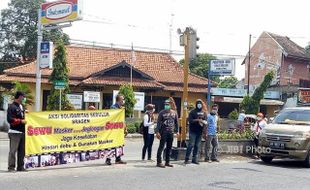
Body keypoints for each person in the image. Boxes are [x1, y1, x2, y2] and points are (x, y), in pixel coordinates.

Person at [155, 99, 179, 168]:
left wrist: (177, 131)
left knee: (169, 147)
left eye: (168, 104)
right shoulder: (161, 113)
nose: (166, 105)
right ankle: (159, 162)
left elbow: (176, 123)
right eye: (165, 104)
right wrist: (157, 132)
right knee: (161, 147)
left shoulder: (174, 113)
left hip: (171, 133)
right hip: (163, 132)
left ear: (170, 105)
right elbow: (158, 123)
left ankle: (167, 162)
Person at [7, 91, 27, 172]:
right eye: (23, 97)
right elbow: (10, 119)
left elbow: (23, 116)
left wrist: (26, 114)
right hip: (14, 132)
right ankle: (11, 167)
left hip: (22, 132)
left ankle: (20, 167)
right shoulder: (11, 107)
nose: (24, 98)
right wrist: (20, 121)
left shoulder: (21, 106)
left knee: (22, 151)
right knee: (13, 151)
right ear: (19, 97)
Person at [105, 94, 127, 165]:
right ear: (118, 100)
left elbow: (123, 120)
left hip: (119, 130)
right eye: (122, 99)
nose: (123, 101)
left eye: (123, 99)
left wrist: (125, 128)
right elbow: (112, 118)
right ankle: (108, 159)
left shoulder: (121, 108)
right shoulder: (113, 107)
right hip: (113, 130)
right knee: (111, 145)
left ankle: (118, 159)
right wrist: (120, 110)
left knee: (119, 144)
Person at [184, 99, 207, 165]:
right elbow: (190, 120)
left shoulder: (204, 112)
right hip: (193, 131)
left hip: (200, 132)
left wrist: (205, 131)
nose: (199, 104)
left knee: (197, 146)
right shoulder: (192, 112)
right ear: (196, 104)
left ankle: (194, 159)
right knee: (191, 145)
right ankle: (187, 158)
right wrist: (197, 120)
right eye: (198, 103)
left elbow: (205, 121)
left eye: (200, 103)